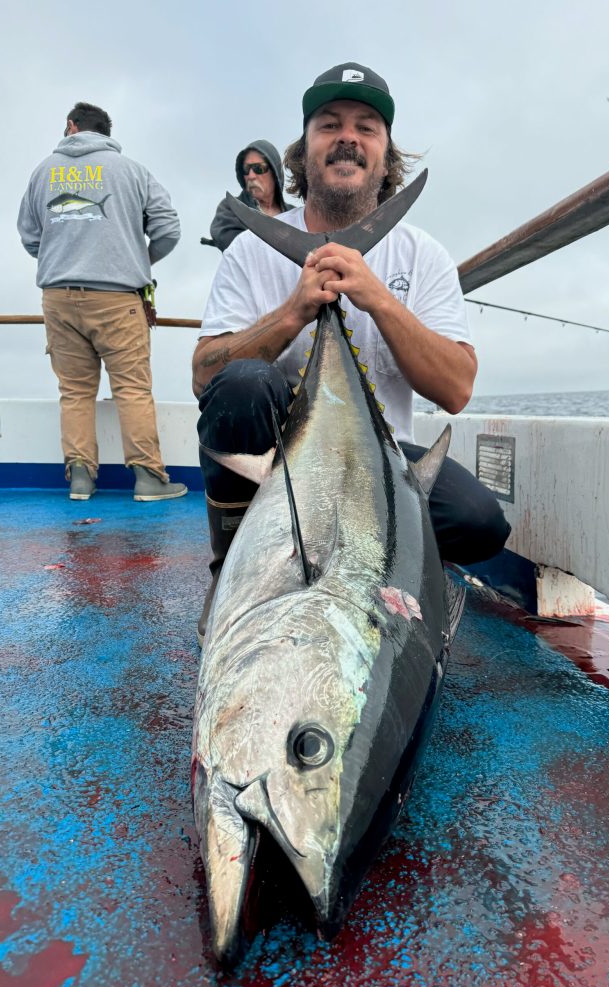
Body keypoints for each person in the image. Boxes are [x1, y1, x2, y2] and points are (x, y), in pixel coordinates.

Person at [192, 63, 511, 640]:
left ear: (387, 157)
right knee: (241, 385)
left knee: (480, 522)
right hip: (280, 459)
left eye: (367, 127)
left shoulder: (423, 256)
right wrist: (293, 313)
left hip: (381, 461)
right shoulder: (248, 253)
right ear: (303, 151)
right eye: (329, 124)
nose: (348, 137)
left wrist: (377, 299)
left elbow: (457, 389)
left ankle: (379, 563)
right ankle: (232, 569)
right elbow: (203, 376)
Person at [17, 101, 187, 502]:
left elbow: (29, 237)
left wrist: (64, 256)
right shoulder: (133, 171)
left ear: (71, 127)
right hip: (118, 299)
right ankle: (148, 479)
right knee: (131, 389)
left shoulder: (42, 171)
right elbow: (169, 229)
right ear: (106, 135)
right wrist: (137, 261)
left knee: (74, 392)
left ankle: (80, 479)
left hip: (57, 298)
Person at [208, 140, 293, 252]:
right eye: (246, 169)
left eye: (259, 168)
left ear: (274, 172)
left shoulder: (295, 215)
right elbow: (233, 245)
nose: (251, 176)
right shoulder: (230, 208)